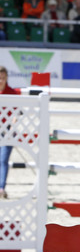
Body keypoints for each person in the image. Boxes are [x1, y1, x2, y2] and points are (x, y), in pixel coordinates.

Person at [0, 66, 21, 199]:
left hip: (7, 130)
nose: (1, 80)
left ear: (7, 78)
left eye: (3, 78)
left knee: (3, 159)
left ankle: (1, 188)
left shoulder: (12, 92)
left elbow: (16, 112)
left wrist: (12, 125)